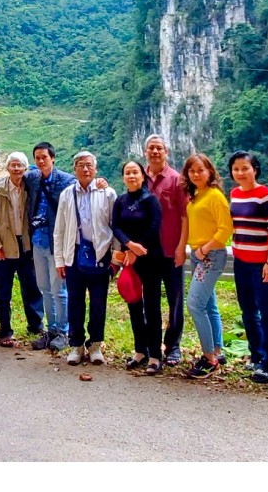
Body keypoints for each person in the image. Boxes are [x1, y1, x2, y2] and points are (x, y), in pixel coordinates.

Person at [53, 151, 116, 366]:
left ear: (95, 169)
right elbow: (59, 230)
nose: (86, 169)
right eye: (81, 165)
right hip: (74, 256)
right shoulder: (67, 194)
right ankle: (76, 345)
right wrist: (60, 260)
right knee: (75, 302)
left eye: (89, 165)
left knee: (99, 302)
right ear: (75, 169)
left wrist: (115, 258)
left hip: (100, 256)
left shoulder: (107, 193)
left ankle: (95, 344)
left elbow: (114, 227)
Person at [228, 151, 268, 385]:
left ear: (255, 170)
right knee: (248, 310)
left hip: (262, 263)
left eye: (245, 168)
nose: (240, 173)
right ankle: (256, 355)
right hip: (240, 261)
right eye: (236, 169)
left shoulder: (266, 197)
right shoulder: (234, 195)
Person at [0, 152, 42, 348]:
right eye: (13, 165)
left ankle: (36, 325)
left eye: (20, 165)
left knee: (32, 287)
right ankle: (5, 331)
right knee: (3, 290)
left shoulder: (31, 188)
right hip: (4, 247)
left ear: (25, 168)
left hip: (26, 245)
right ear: (7, 168)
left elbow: (44, 173)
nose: (16, 169)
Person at [182, 152, 232, 379]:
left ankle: (209, 359)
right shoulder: (196, 195)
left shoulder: (215, 196)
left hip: (210, 254)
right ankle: (217, 351)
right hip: (198, 254)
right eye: (192, 171)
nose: (196, 174)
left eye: (200, 170)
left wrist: (204, 248)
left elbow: (225, 229)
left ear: (210, 171)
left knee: (194, 304)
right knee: (208, 304)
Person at [112, 159, 163, 374]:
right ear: (123, 177)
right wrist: (129, 246)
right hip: (130, 259)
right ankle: (139, 351)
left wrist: (135, 249)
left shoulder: (150, 200)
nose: (131, 176)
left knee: (152, 306)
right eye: (127, 173)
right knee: (133, 304)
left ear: (143, 176)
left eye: (135, 172)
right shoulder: (121, 201)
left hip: (149, 257)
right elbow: (115, 226)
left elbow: (154, 226)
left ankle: (155, 355)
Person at [143, 134, 189, 365]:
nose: (155, 152)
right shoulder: (140, 179)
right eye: (151, 148)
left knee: (175, 300)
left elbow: (185, 215)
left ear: (166, 152)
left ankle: (173, 346)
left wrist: (182, 247)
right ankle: (153, 347)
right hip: (148, 254)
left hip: (171, 251)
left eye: (159, 148)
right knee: (150, 301)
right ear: (145, 152)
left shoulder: (176, 180)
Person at [26, 142, 73, 351]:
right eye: (37, 158)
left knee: (59, 289)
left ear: (53, 158)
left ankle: (63, 331)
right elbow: (14, 174)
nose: (41, 161)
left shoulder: (66, 181)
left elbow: (84, 185)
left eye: (44, 157)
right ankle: (51, 330)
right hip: (38, 241)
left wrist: (101, 182)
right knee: (44, 288)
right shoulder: (33, 178)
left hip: (57, 244)